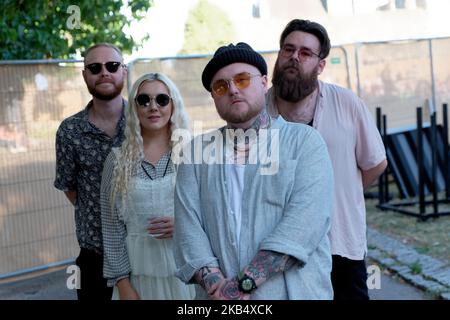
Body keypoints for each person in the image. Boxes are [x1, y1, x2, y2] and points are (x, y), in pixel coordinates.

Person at [173, 42, 334, 299]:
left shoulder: (304, 142)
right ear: (214, 96)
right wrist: (216, 286)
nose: (233, 90)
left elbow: (305, 224)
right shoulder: (194, 154)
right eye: (221, 86)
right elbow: (187, 229)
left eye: (242, 79)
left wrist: (243, 284)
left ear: (263, 82)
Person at [267, 19, 388, 300]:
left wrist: (338, 194)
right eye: (288, 49)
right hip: (277, 249)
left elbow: (375, 164)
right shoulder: (259, 112)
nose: (294, 57)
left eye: (306, 53)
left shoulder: (347, 104)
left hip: (341, 245)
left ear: (320, 65)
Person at [100, 73, 195, 300]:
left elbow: (214, 214)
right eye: (144, 100)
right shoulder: (117, 160)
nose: (153, 107)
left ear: (173, 104)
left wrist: (183, 225)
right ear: (134, 108)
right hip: (138, 279)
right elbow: (111, 229)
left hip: (189, 273)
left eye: (162, 99)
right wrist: (122, 284)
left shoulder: (193, 154)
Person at [54, 43, 127, 300]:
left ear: (124, 72)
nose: (104, 72)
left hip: (143, 249)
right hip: (94, 256)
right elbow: (70, 187)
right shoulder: (70, 131)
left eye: (112, 66)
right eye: (95, 68)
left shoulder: (144, 122)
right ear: (85, 75)